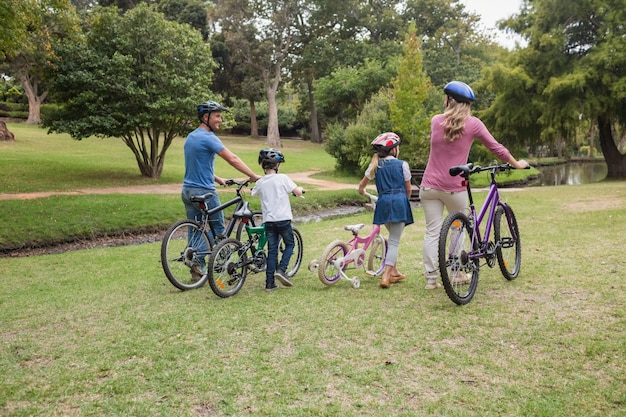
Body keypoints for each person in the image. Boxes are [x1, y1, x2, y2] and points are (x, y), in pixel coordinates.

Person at [419, 81, 529, 290]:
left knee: (432, 231)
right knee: (458, 229)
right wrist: (517, 164)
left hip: (429, 187)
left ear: (449, 100)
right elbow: (497, 148)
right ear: (467, 104)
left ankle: (431, 279)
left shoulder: (435, 121)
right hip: (455, 188)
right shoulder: (473, 124)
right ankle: (456, 272)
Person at [182, 100, 261, 279]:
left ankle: (196, 265)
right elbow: (232, 159)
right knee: (218, 228)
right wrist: (254, 176)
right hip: (204, 191)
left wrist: (218, 178)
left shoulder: (191, 137)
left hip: (187, 190)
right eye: (217, 116)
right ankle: (225, 264)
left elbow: (198, 164)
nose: (220, 120)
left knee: (197, 227)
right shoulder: (209, 138)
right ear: (205, 117)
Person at [358, 132, 414, 289]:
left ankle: (394, 272)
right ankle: (386, 275)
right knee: (395, 241)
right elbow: (408, 189)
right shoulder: (402, 164)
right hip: (399, 202)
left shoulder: (375, 165)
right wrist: (403, 201)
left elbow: (361, 187)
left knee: (392, 238)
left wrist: (363, 192)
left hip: (383, 204)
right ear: (394, 149)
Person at [251, 148, 304, 292]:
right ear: (276, 165)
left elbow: (253, 192)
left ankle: (269, 283)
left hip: (268, 221)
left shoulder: (261, 182)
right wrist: (300, 190)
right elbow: (297, 192)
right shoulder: (283, 178)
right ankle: (281, 270)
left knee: (272, 250)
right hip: (283, 220)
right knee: (290, 244)